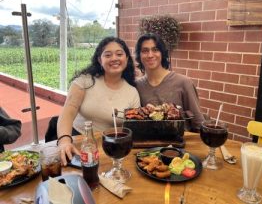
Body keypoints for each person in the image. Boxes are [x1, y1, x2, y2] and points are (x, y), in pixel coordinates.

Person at [57, 37, 140, 165]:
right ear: (99, 60)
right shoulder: (85, 81)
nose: (114, 58)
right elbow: (68, 112)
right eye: (108, 55)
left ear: (127, 59)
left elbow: (134, 127)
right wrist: (64, 141)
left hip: (112, 149)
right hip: (79, 145)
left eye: (119, 54)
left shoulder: (132, 92)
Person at [135, 33, 205, 132]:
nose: (150, 55)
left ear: (162, 53)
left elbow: (198, 124)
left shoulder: (184, 83)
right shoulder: (137, 85)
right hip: (148, 144)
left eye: (155, 50)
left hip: (179, 144)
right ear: (139, 55)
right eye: (145, 51)